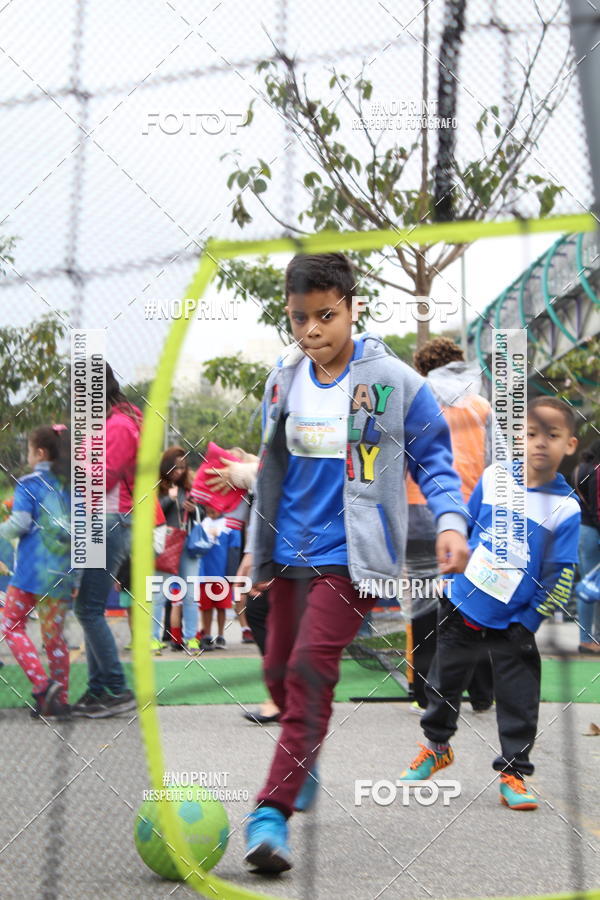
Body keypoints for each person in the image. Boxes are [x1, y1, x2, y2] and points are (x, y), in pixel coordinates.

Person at [242, 252, 469, 873]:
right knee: (277, 668)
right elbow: (274, 468)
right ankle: (303, 761)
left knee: (311, 672)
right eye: (298, 317)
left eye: (325, 315)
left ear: (352, 306)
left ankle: (270, 813)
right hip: (285, 555)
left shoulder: (396, 380)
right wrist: (252, 546)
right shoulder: (282, 379)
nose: (312, 330)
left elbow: (436, 463)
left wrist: (450, 521)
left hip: (352, 558)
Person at [399, 396, 580, 811]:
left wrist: (531, 618)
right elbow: (467, 525)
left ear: (569, 444)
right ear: (519, 436)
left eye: (551, 436)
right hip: (463, 605)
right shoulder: (495, 476)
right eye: (532, 433)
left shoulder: (565, 507)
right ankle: (436, 747)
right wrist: (452, 575)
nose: (539, 443)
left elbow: (561, 574)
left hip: (515, 622)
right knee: (442, 685)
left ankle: (513, 774)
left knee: (519, 699)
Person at [406, 337, 495, 711]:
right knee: (473, 602)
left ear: (423, 367)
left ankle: (426, 692)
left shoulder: (416, 398)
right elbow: (494, 462)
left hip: (420, 506)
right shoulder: (482, 406)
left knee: (424, 602)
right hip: (472, 511)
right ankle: (481, 692)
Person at [72, 363, 140, 718]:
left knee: (89, 608)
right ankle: (99, 688)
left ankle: (115, 687)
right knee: (88, 608)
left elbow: (101, 478)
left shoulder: (118, 426)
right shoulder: (113, 422)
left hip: (108, 519)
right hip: (104, 518)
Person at [0, 424, 72, 718]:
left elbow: (19, 523)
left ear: (40, 452)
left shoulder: (29, 483)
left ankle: (42, 688)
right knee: (54, 637)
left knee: (12, 625)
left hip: (30, 572)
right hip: (59, 572)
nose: (27, 456)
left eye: (29, 451)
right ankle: (60, 700)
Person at [154, 447, 199, 652]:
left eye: (183, 467)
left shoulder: (190, 488)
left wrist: (196, 509)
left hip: (188, 544)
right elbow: (149, 513)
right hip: (165, 544)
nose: (179, 472)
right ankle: (154, 638)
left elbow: (205, 513)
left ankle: (191, 637)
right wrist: (168, 499)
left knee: (189, 593)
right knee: (159, 594)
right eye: (176, 467)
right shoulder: (157, 487)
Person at [193, 504, 244, 651]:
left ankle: (221, 635)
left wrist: (231, 576)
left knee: (221, 606)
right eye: (208, 509)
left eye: (213, 508)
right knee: (206, 607)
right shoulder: (202, 524)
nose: (210, 511)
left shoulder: (230, 525)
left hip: (222, 574)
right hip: (205, 573)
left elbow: (235, 550)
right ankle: (207, 635)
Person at [572, 440, 600, 654]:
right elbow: (597, 505)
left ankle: (586, 638)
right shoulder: (596, 471)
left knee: (588, 584)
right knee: (593, 585)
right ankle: (592, 638)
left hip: (582, 530)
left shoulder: (579, 469)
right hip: (594, 530)